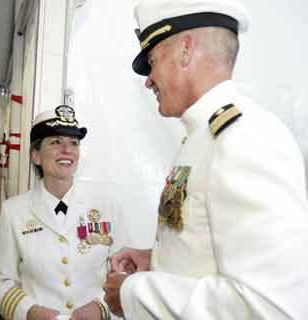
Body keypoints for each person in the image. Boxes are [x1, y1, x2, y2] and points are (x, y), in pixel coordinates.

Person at [103, 0, 308, 319]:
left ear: (185, 50)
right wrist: (155, 260)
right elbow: (213, 251)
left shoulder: (245, 139)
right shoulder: (205, 136)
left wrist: (135, 292)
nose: (148, 79)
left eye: (152, 60)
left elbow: (268, 306)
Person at [0, 105, 130, 320]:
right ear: (35, 155)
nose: (67, 150)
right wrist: (29, 312)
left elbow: (124, 272)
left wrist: (101, 308)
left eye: (73, 143)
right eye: (56, 142)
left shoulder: (106, 207)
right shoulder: (14, 211)